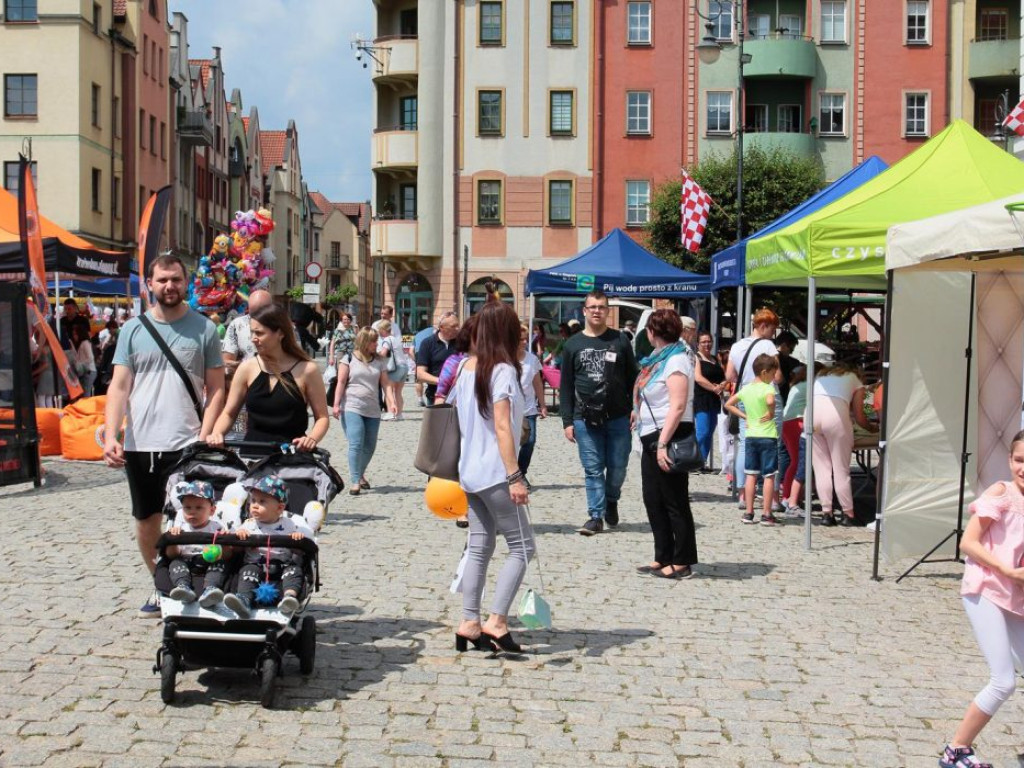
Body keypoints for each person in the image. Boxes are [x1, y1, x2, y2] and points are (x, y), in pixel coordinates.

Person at [103, 254, 226, 619]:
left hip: (186, 442)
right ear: (150, 284)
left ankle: (190, 584)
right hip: (141, 443)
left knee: (187, 519)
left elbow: (217, 388)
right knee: (146, 520)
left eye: (175, 279)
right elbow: (119, 386)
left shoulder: (203, 329)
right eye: (162, 280)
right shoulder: (132, 330)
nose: (169, 286)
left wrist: (205, 434)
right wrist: (112, 435)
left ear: (185, 282)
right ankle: (161, 584)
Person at [449, 300, 534, 655]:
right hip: (495, 473)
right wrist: (516, 475)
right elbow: (502, 425)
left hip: (470, 472)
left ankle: (469, 621)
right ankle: (497, 622)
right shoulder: (501, 370)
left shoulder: (466, 367)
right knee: (523, 547)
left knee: (480, 547)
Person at [937, 431, 1024, 768]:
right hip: (985, 589)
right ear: (1010, 460)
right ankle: (956, 749)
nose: (1023, 468)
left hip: (1014, 595)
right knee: (1003, 680)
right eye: (1019, 460)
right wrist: (1006, 569)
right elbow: (968, 542)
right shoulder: (1001, 493)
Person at [560, 289, 639, 536]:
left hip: (618, 416)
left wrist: (635, 408)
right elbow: (566, 385)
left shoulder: (620, 340)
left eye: (601, 307)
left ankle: (611, 499)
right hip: (585, 418)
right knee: (593, 468)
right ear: (584, 311)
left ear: (607, 311)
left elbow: (633, 378)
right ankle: (595, 516)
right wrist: (567, 420)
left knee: (618, 466)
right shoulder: (573, 344)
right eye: (592, 307)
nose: (596, 311)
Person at [208, 303, 330, 453]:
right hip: (253, 457)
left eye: (259, 333)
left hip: (292, 458)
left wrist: (311, 439)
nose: (253, 339)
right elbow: (229, 413)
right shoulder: (247, 368)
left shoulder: (307, 369)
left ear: (280, 333)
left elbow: (323, 417)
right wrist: (217, 433)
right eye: (252, 332)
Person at [633, 309, 698, 579]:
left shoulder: (676, 361)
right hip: (651, 432)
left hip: (668, 434)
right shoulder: (657, 361)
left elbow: (678, 404)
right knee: (653, 498)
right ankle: (663, 554)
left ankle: (682, 560)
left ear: (652, 333)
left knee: (674, 499)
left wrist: (662, 444)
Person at [223, 475, 307, 618]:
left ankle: (289, 597)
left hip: (282, 566)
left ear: (279, 508)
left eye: (262, 502)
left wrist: (296, 538)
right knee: (247, 571)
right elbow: (236, 550)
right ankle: (244, 599)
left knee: (294, 570)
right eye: (253, 501)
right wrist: (240, 537)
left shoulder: (288, 524)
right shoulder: (248, 524)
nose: (254, 505)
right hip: (255, 564)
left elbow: (297, 550)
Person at [725, 309, 782, 510]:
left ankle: (742, 494)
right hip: (767, 397)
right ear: (764, 326)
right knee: (772, 446)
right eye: (773, 328)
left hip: (745, 397)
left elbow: (729, 375)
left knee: (744, 445)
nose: (773, 333)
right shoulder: (768, 345)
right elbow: (778, 377)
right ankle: (773, 499)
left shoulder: (737, 346)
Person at [333, 327, 396, 495]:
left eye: (376, 340)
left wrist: (391, 402)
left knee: (369, 446)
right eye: (373, 341)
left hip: (373, 408)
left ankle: (359, 474)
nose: (376, 344)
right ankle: (355, 481)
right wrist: (336, 404)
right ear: (364, 342)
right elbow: (340, 382)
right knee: (356, 443)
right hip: (352, 406)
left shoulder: (380, 361)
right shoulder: (348, 359)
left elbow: (386, 384)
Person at [811, 361, 875, 527]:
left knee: (822, 469)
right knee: (840, 469)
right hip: (835, 418)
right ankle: (848, 513)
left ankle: (826, 513)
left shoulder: (821, 376)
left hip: (811, 416)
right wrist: (873, 428)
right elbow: (861, 417)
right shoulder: (856, 380)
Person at [725, 353, 780, 526]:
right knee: (769, 476)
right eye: (772, 374)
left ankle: (749, 513)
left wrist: (744, 416)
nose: (773, 377)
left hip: (751, 436)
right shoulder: (768, 388)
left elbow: (728, 404)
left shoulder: (747, 388)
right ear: (765, 372)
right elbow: (770, 401)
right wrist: (771, 412)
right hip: (768, 436)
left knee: (751, 475)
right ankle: (766, 513)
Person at [164, 480, 229, 608]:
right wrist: (172, 541)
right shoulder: (180, 528)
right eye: (187, 508)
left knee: (222, 564)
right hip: (187, 563)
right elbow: (172, 555)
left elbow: (227, 556)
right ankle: (183, 587)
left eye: (198, 507)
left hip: (210, 563)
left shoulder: (217, 528)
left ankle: (210, 590)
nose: (192, 512)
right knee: (175, 563)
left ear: (212, 510)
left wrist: (225, 542)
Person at [518, 323, 547, 489]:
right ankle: (510, 474)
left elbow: (537, 383)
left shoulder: (532, 359)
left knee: (529, 441)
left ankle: (521, 472)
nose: (523, 342)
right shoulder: (503, 358)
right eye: (519, 339)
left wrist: (542, 405)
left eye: (525, 339)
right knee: (511, 443)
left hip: (529, 408)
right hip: (509, 409)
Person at [222, 289, 273, 376]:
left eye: (263, 312)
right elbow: (227, 361)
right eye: (254, 313)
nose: (258, 318)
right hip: (246, 382)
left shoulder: (282, 325)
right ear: (248, 308)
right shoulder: (237, 325)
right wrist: (247, 367)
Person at [692, 332, 726, 468]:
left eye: (709, 341)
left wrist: (722, 385)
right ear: (698, 344)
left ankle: (701, 462)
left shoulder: (715, 359)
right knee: (702, 431)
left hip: (714, 400)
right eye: (704, 342)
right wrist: (714, 388)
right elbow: (698, 378)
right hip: (701, 398)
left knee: (710, 432)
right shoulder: (696, 358)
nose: (707, 344)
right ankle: (692, 460)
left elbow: (724, 377)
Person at [416, 312, 460, 402]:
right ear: (441, 327)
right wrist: (444, 381)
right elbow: (420, 374)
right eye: (453, 326)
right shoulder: (428, 343)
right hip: (435, 396)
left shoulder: (462, 342)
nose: (457, 329)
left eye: (458, 325)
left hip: (459, 397)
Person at [376, 319, 409, 420]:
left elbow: (383, 353)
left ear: (383, 329)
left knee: (388, 389)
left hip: (394, 368)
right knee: (398, 392)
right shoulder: (396, 339)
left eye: (379, 330)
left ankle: (390, 412)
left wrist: (374, 356)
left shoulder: (387, 340)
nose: (379, 332)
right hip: (404, 366)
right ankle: (399, 414)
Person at [413, 319, 441, 406]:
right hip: (433, 354)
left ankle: (420, 399)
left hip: (418, 354)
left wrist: (416, 361)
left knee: (419, 379)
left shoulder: (417, 335)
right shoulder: (433, 331)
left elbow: (411, 351)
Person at [71, 323, 97, 397]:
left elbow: (91, 357)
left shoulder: (85, 343)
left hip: (88, 371)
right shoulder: (83, 343)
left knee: (86, 394)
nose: (74, 336)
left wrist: (80, 363)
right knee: (85, 393)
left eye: (75, 334)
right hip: (87, 371)